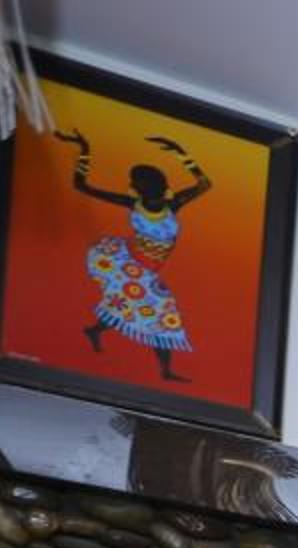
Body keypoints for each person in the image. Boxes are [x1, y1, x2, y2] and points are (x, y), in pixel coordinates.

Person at [54, 128, 211, 384]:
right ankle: (165, 371)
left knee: (133, 305)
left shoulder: (168, 204)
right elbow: (81, 187)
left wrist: (85, 150)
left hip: (144, 267)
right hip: (131, 264)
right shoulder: (165, 203)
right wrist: (181, 154)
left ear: (135, 189)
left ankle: (94, 330)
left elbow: (80, 185)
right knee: (161, 312)